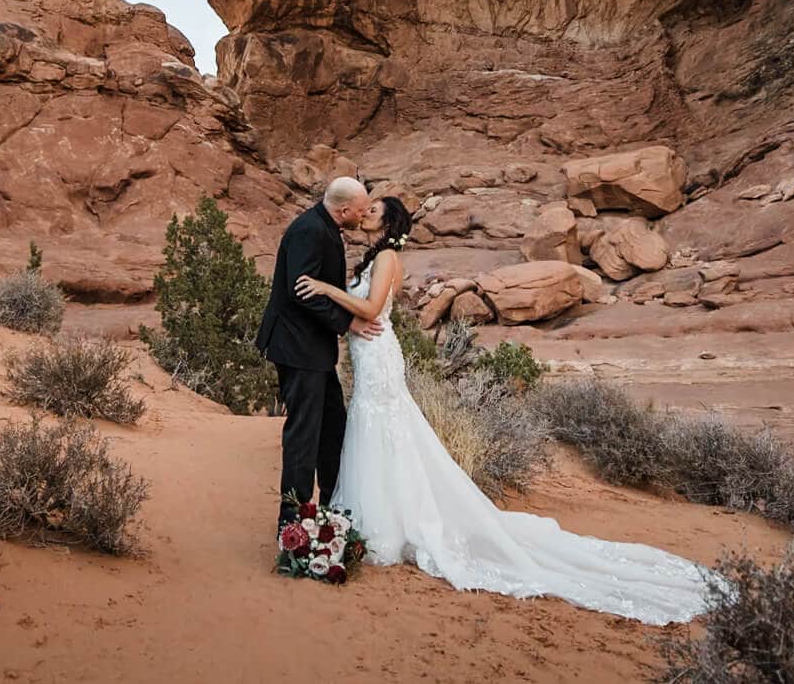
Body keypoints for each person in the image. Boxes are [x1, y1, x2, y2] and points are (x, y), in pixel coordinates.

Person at [297, 195, 727, 625]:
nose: (365, 213)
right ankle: (385, 518)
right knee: (379, 432)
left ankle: (389, 526)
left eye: (373, 211)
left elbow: (372, 310)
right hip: (369, 355)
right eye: (365, 208)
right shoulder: (375, 256)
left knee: (383, 428)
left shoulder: (388, 256)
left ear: (389, 224)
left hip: (379, 357)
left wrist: (326, 289)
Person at [254, 176, 383, 534]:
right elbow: (302, 292)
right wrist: (348, 323)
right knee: (304, 435)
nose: (363, 213)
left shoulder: (324, 226)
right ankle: (292, 524)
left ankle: (331, 509)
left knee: (332, 429)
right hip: (298, 349)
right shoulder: (310, 230)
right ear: (344, 210)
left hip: (314, 351)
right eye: (361, 208)